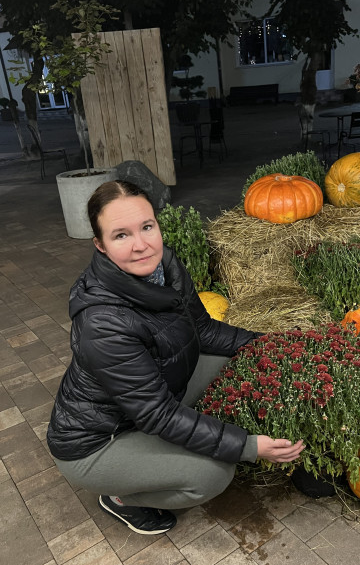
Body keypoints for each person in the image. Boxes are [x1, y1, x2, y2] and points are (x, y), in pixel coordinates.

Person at [47, 180, 304, 535]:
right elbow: (157, 414)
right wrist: (247, 446)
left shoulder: (164, 263)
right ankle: (122, 499)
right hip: (99, 441)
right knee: (213, 474)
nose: (141, 245)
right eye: (120, 235)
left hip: (148, 404)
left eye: (147, 227)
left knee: (239, 360)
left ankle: (180, 447)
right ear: (100, 245)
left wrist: (271, 344)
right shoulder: (102, 323)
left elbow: (204, 331)